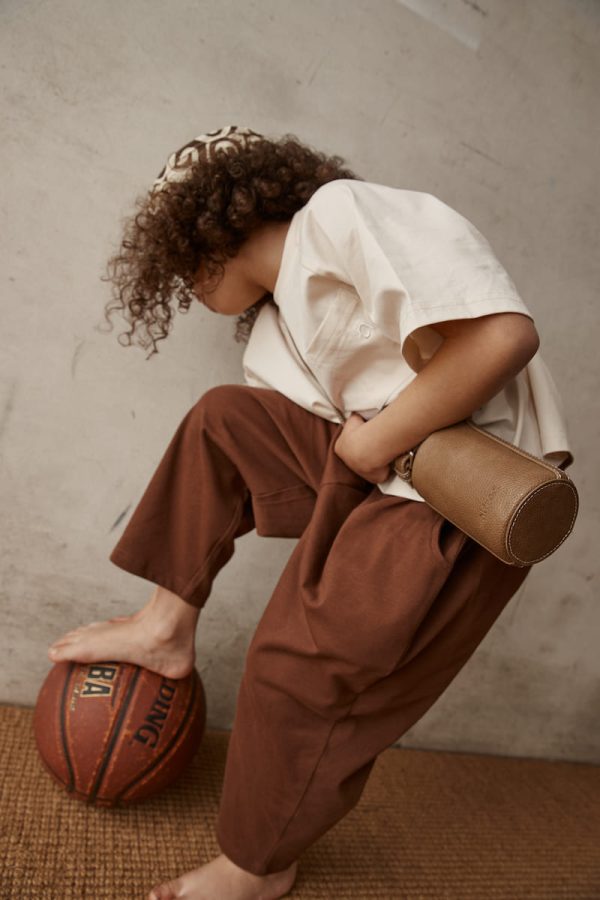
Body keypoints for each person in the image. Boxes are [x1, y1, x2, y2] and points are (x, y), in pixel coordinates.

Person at [47, 125, 573, 900]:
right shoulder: (272, 332)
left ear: (208, 226)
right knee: (224, 418)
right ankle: (166, 625)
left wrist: (372, 449)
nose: (185, 291)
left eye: (180, 262)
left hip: (461, 497)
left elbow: (501, 336)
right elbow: (340, 442)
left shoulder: (340, 214)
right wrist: (362, 458)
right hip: (374, 472)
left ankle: (257, 866)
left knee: (290, 670)